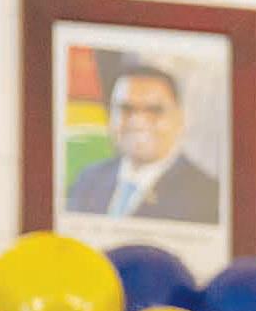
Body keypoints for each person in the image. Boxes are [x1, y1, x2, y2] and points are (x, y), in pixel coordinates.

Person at [66, 64, 220, 224]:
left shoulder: (208, 196)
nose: (138, 122)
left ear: (181, 118)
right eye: (126, 108)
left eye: (154, 110)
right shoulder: (88, 180)